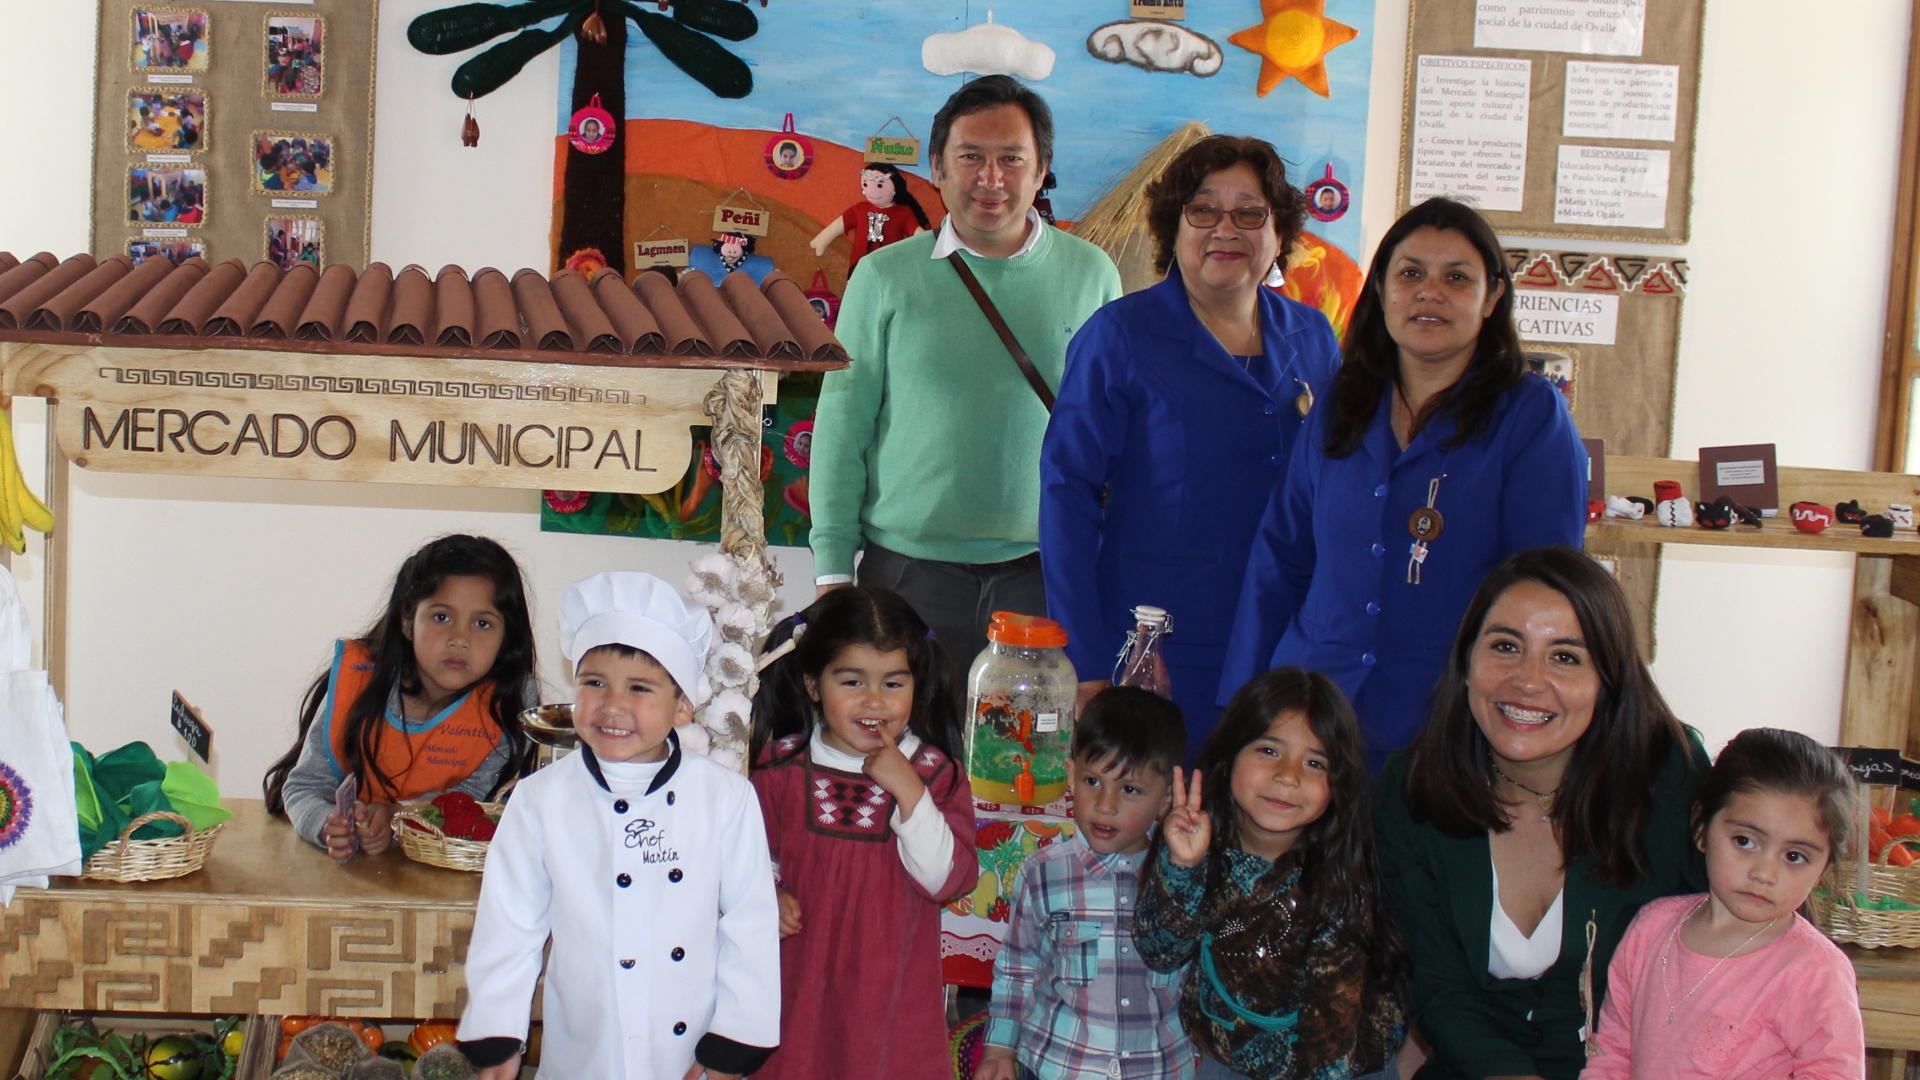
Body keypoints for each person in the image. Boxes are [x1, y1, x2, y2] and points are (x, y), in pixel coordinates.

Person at [1220, 197, 1588, 767]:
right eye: (1410, 273)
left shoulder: (1529, 417)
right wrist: (1243, 705)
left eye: (1456, 277)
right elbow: (1281, 559)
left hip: (1448, 726)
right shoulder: (1340, 404)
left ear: (1492, 297)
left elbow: (1546, 591)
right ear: (1382, 291)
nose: (1429, 292)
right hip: (1314, 723)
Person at [810, 74, 1122, 691]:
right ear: (936, 167)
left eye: (1012, 159)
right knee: (899, 761)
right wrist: (831, 575)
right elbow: (843, 426)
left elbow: (1112, 434)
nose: (991, 178)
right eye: (970, 157)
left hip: (1045, 577)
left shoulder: (1092, 275)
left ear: (1041, 170)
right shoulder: (883, 277)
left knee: (1022, 773)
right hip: (905, 576)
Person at [1041, 134, 1339, 756]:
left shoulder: (1312, 336)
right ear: (1172, 227)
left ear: (1278, 231)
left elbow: (1335, 490)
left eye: (1250, 212)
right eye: (1203, 210)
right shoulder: (1119, 336)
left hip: (1285, 644)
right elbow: (1065, 496)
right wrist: (1086, 659)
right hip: (1158, 647)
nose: (1224, 229)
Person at [1374, 547, 1709, 1080]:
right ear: (1465, 664)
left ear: (1609, 681)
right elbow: (1436, 986)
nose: (1528, 681)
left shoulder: (1669, 776)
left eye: (1565, 657)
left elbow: (1755, 941)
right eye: (1506, 646)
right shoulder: (1410, 788)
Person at [458, 571, 780, 1080]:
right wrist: (497, 1036)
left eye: (639, 688)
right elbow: (510, 924)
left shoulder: (726, 799)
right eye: (594, 683)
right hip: (585, 1048)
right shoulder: (541, 798)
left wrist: (732, 1046)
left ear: (681, 706)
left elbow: (750, 925)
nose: (613, 706)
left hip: (691, 1052)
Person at [747, 587, 980, 1080]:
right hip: (797, 990)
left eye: (894, 684)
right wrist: (767, 895)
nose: (875, 701)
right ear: (813, 684)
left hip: (890, 1002)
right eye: (852, 681)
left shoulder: (936, 775)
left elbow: (949, 880)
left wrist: (907, 789)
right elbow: (747, 861)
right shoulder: (779, 767)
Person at [1135, 667, 1407, 1079]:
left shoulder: (1337, 885)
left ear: (1338, 785)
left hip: (1330, 1065)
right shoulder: (1197, 838)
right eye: (1268, 750)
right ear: (1230, 756)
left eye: (1315, 762)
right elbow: (1160, 951)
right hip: (1224, 1052)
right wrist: (1183, 867)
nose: (1288, 775)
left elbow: (1331, 1046)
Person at [1579, 728, 1864, 1079]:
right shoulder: (1650, 929)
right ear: (1701, 828)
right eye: (1744, 841)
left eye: (1794, 856)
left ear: (1824, 869)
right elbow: (1612, 1049)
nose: (1764, 873)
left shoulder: (1815, 971)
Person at [262, 535, 538, 857]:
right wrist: (328, 825)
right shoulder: (359, 682)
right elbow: (303, 787)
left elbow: (479, 802)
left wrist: (399, 815)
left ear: (507, 638)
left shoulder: (510, 703)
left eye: (482, 623)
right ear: (408, 622)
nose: (460, 638)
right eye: (441, 617)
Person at [977, 686, 1194, 1080]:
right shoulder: (1043, 873)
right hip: (1058, 1066)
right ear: (1070, 774)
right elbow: (1017, 969)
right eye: (1093, 781)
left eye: (1129, 789)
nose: (1106, 805)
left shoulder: (1183, 879)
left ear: (1165, 800)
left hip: (1158, 1069)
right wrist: (999, 1047)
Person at [809, 163, 931, 274]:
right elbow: (839, 225)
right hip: (859, 266)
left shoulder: (903, 213)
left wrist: (929, 246)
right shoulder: (860, 209)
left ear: (895, 189)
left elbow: (917, 233)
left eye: (879, 185)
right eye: (866, 184)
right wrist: (822, 239)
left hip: (890, 267)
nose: (871, 190)